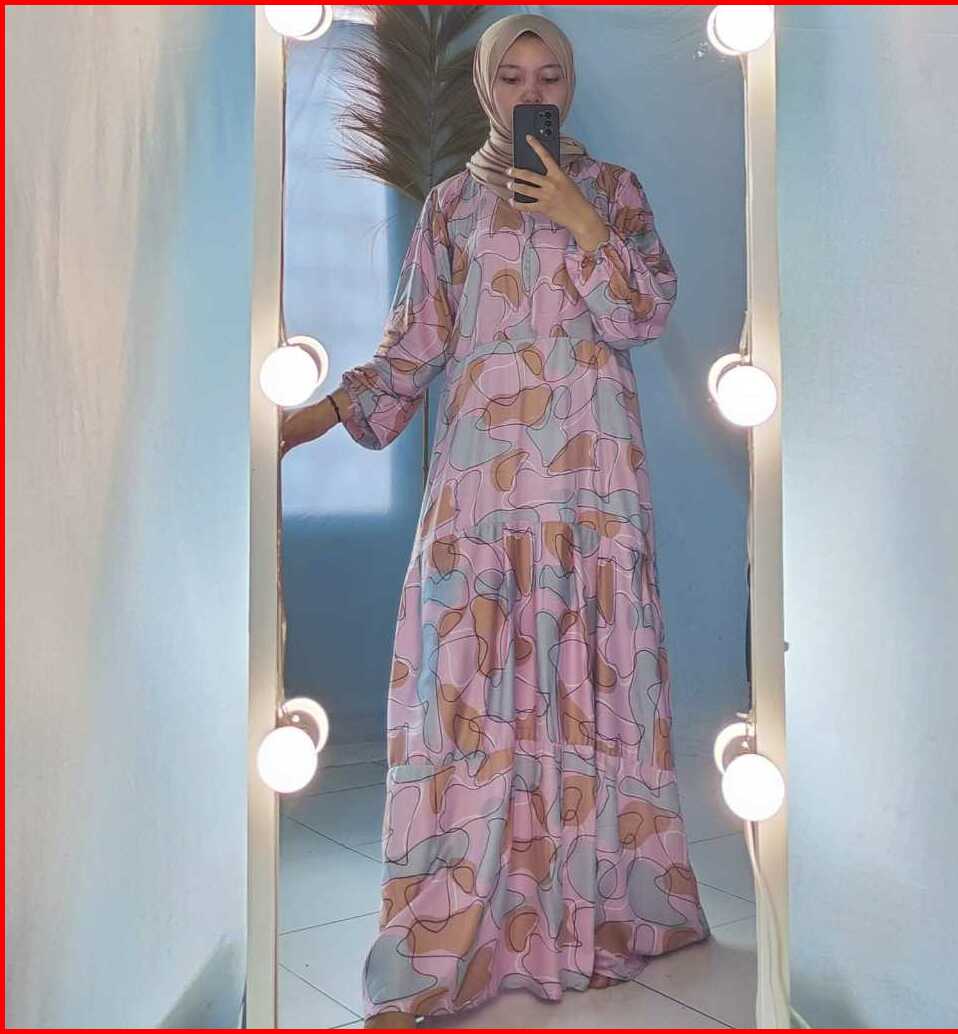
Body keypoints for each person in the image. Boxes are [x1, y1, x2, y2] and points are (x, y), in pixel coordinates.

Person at [281, 12, 711, 1029]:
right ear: (485, 88)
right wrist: (309, 418)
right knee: (463, 689)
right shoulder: (448, 207)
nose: (531, 92)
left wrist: (577, 215)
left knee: (591, 673)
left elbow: (641, 314)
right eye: (511, 76)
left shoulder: (614, 191)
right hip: (484, 490)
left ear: (568, 84)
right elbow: (411, 350)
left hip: (591, 490)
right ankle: (451, 931)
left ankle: (600, 908)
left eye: (548, 75)